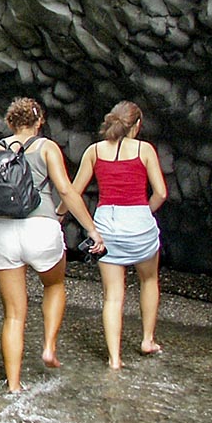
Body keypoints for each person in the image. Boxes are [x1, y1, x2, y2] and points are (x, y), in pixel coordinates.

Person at [0, 97, 105, 392]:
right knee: (54, 286)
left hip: (3, 232)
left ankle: (14, 386)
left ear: (9, 123)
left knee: (14, 315)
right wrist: (92, 230)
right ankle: (48, 346)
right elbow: (67, 192)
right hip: (41, 229)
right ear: (39, 122)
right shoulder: (46, 147)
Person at [70, 101, 168, 368]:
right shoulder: (144, 150)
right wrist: (145, 211)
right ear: (136, 126)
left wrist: (58, 213)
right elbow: (161, 193)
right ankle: (147, 340)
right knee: (149, 281)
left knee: (113, 295)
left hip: (107, 228)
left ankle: (114, 359)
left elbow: (73, 192)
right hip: (138, 224)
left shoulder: (95, 151)